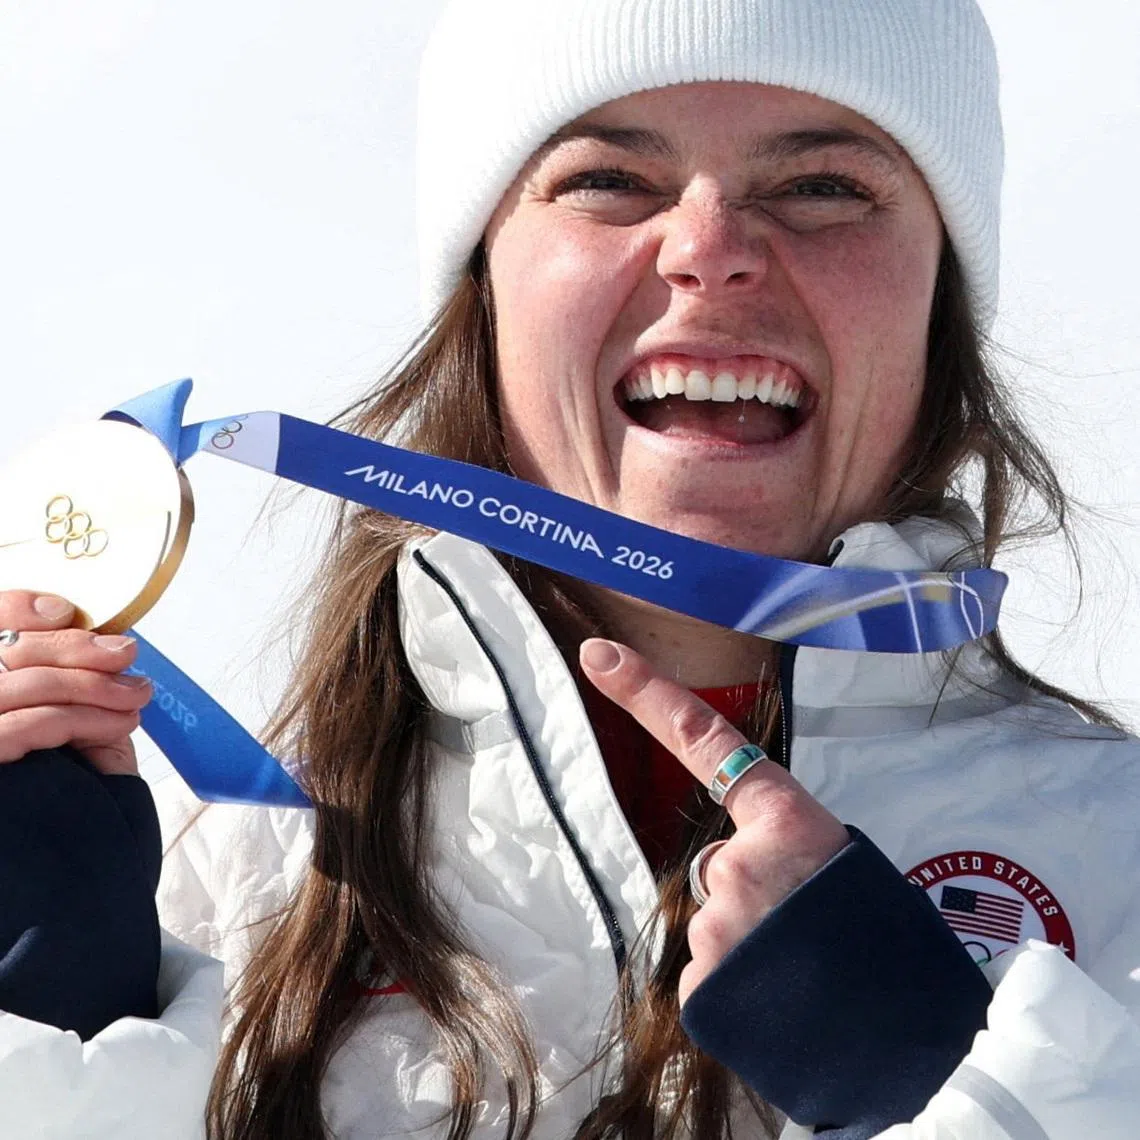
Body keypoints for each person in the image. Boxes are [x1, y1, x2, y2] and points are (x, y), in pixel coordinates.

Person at [1, 0, 1139, 1137]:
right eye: (609, 181)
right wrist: (51, 1058)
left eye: (823, 187)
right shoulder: (231, 887)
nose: (711, 253)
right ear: (483, 286)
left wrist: (943, 1091)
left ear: (941, 297)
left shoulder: (1120, 857)